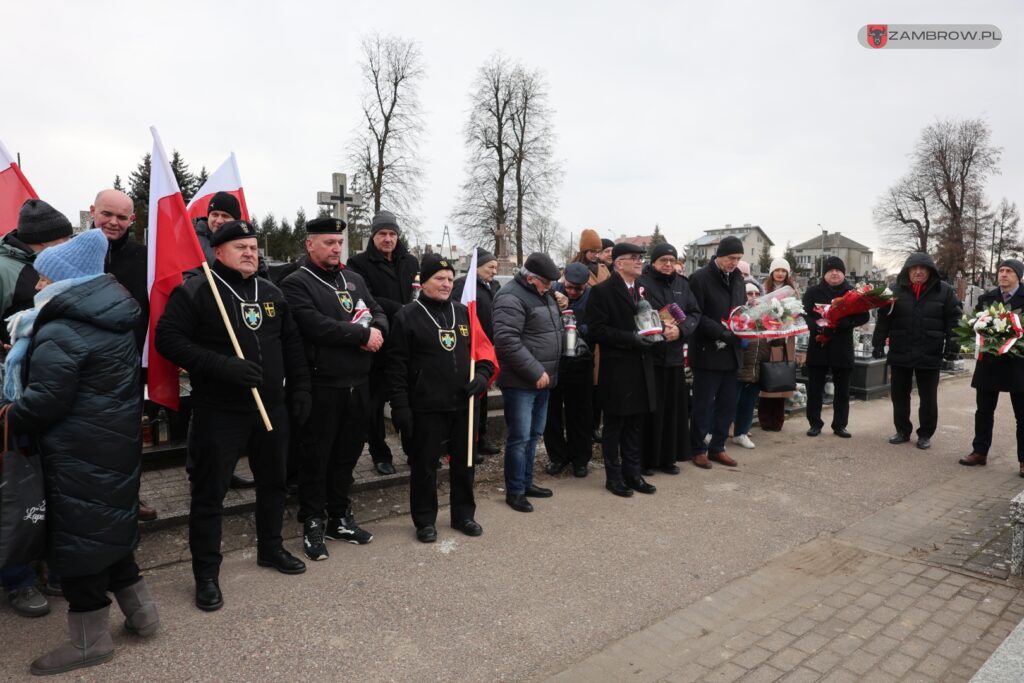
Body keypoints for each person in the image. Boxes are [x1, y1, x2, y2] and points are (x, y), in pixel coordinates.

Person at [5, 230, 159, 675]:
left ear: (65, 281)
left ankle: (91, 642)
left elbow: (45, 402)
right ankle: (144, 615)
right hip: (108, 445)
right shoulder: (108, 317)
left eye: (44, 278)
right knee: (108, 531)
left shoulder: (61, 328)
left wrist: (7, 413)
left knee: (79, 546)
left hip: (73, 452)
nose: (37, 285)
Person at [156, 220, 311, 611]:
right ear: (218, 252)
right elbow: (168, 340)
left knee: (274, 483)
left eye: (254, 247)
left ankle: (271, 548)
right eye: (240, 247)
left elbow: (291, 343)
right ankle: (206, 574)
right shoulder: (197, 291)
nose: (250, 253)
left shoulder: (272, 291)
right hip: (219, 411)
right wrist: (221, 366)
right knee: (210, 495)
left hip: (270, 408)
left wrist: (301, 390)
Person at [280, 217, 386, 561]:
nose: (336, 248)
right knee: (316, 458)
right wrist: (361, 335)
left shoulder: (353, 279)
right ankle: (312, 520)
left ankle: (339, 516)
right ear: (310, 244)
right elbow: (314, 325)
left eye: (338, 243)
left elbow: (377, 310)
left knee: (347, 455)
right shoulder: (296, 282)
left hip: (359, 383)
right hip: (322, 386)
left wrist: (378, 329)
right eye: (328, 242)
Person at [385, 254, 494, 542]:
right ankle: (424, 520)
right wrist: (400, 407)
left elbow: (483, 353)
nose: (446, 284)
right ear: (424, 281)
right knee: (424, 467)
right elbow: (395, 368)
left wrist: (482, 375)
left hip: (463, 405)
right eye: (439, 279)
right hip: (426, 407)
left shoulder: (463, 313)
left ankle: (464, 515)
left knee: (465, 464)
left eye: (449, 279)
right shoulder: (407, 316)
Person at [0, 199, 73, 619]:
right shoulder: (5, 270)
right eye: (61, 240)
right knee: (16, 489)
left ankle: (53, 566)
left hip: (47, 391)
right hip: (11, 399)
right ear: (41, 242)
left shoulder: (49, 263)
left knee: (49, 485)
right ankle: (17, 579)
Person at [90, 189, 160, 522]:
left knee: (128, 436)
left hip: (130, 363)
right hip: (83, 365)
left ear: (132, 220)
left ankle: (129, 497)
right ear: (93, 211)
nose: (113, 223)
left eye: (122, 217)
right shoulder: (75, 253)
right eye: (107, 214)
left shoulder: (146, 258)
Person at [188, 191, 258, 489]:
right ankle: (198, 469)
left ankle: (227, 468)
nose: (218, 220)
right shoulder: (193, 241)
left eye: (225, 217)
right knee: (204, 408)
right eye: (215, 215)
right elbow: (189, 280)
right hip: (207, 335)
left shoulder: (244, 245)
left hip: (241, 333)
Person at [347, 210, 419, 475]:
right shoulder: (358, 264)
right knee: (374, 405)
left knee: (409, 399)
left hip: (407, 344)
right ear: (373, 236)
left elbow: (417, 291)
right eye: (382, 234)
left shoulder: (410, 262)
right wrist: (401, 310)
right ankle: (380, 453)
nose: (388, 239)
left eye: (392, 234)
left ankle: (414, 449)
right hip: (378, 343)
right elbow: (364, 299)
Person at [585, 242, 659, 496]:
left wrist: (658, 332)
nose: (640, 261)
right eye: (634, 258)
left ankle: (633, 474)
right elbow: (596, 330)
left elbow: (650, 320)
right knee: (615, 426)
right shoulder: (602, 291)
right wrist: (631, 338)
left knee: (635, 425)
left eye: (641, 257)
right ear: (618, 263)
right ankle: (613, 477)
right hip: (617, 369)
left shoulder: (642, 289)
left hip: (641, 366)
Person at [493, 252, 563, 512]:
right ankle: (515, 491)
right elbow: (507, 340)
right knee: (519, 438)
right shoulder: (511, 297)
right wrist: (535, 371)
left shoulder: (542, 294)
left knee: (534, 435)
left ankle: (527, 482)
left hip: (543, 380)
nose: (550, 287)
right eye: (547, 283)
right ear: (532, 278)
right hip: (522, 381)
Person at [873, 252, 961, 450]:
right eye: (914, 268)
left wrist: (952, 348)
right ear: (907, 271)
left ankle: (925, 434)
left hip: (930, 350)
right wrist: (878, 343)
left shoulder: (944, 291)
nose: (918, 272)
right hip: (901, 349)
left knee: (928, 397)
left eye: (923, 269)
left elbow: (954, 321)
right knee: (899, 394)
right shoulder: (894, 290)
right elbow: (883, 318)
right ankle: (902, 430)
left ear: (930, 271)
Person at [639, 243, 700, 470]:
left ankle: (667, 458)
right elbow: (636, 315)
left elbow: (694, 313)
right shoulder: (641, 283)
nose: (667, 264)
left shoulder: (683, 285)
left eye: (671, 260)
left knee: (672, 412)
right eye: (663, 260)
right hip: (650, 357)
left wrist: (681, 331)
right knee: (651, 411)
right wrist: (658, 329)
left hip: (674, 357)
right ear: (653, 262)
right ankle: (647, 460)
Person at [959, 260, 1024, 474]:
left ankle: (1023, 461)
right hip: (990, 363)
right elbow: (974, 326)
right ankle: (980, 452)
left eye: (1009, 272)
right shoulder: (987, 299)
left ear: (1018, 276)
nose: (1004, 275)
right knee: (984, 411)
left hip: (1018, 364)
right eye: (1001, 271)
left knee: (1021, 414)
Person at [688, 236, 746, 469]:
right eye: (731, 258)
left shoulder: (739, 279)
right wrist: (720, 333)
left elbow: (741, 310)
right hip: (708, 351)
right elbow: (695, 314)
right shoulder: (699, 278)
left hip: (731, 352)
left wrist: (748, 326)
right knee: (703, 403)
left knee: (728, 404)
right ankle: (697, 448)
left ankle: (718, 447)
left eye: (739, 258)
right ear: (719, 255)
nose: (735, 262)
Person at [803, 257, 869, 438]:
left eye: (838, 270)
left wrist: (846, 322)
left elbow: (864, 317)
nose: (834, 273)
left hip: (842, 345)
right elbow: (804, 314)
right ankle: (814, 423)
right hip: (819, 343)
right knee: (815, 388)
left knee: (842, 389)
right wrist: (816, 325)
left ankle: (840, 425)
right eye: (831, 270)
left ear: (843, 273)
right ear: (825, 273)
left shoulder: (852, 293)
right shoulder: (813, 292)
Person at [544, 262, 595, 478]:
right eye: (570, 287)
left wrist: (577, 326)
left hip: (580, 362)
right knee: (551, 413)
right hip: (554, 361)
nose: (573, 292)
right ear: (563, 279)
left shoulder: (593, 297)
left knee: (580, 414)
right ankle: (557, 457)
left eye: (578, 289)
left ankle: (580, 459)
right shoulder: (550, 291)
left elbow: (597, 325)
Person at [452, 248, 502, 457]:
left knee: (483, 397)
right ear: (478, 267)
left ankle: (481, 437)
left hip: (487, 348)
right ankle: (468, 443)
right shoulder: (465, 286)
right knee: (472, 398)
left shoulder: (493, 286)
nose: (494, 272)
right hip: (470, 346)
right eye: (490, 267)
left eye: (496, 268)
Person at [758, 258, 799, 432]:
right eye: (777, 270)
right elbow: (758, 311)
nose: (780, 273)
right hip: (767, 338)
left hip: (784, 339)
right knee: (766, 376)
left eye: (783, 270)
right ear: (772, 272)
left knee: (780, 377)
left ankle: (777, 419)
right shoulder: (763, 290)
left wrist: (787, 319)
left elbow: (797, 312)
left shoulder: (792, 292)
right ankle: (764, 418)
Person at [733, 283, 770, 450]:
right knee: (730, 403)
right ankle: (714, 432)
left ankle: (741, 433)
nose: (753, 296)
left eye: (756, 293)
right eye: (749, 293)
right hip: (739, 366)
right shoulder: (738, 313)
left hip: (757, 366)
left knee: (748, 404)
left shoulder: (765, 315)